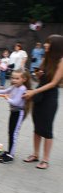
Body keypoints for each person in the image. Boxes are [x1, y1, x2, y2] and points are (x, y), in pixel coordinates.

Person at [22, 35, 63, 170]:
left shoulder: (61, 61)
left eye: (48, 43)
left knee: (47, 129)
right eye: (46, 43)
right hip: (39, 95)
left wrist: (33, 92)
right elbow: (41, 77)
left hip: (49, 97)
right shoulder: (46, 59)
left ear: (55, 46)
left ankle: (45, 159)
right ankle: (35, 154)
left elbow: (53, 83)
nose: (46, 45)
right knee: (37, 126)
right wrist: (39, 74)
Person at [0, 69, 32, 163]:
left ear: (24, 79)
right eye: (13, 78)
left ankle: (11, 155)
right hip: (13, 112)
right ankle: (9, 151)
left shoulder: (22, 88)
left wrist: (7, 98)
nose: (14, 80)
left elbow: (16, 102)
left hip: (18, 113)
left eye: (17, 78)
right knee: (10, 132)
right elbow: (5, 91)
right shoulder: (14, 86)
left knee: (14, 134)